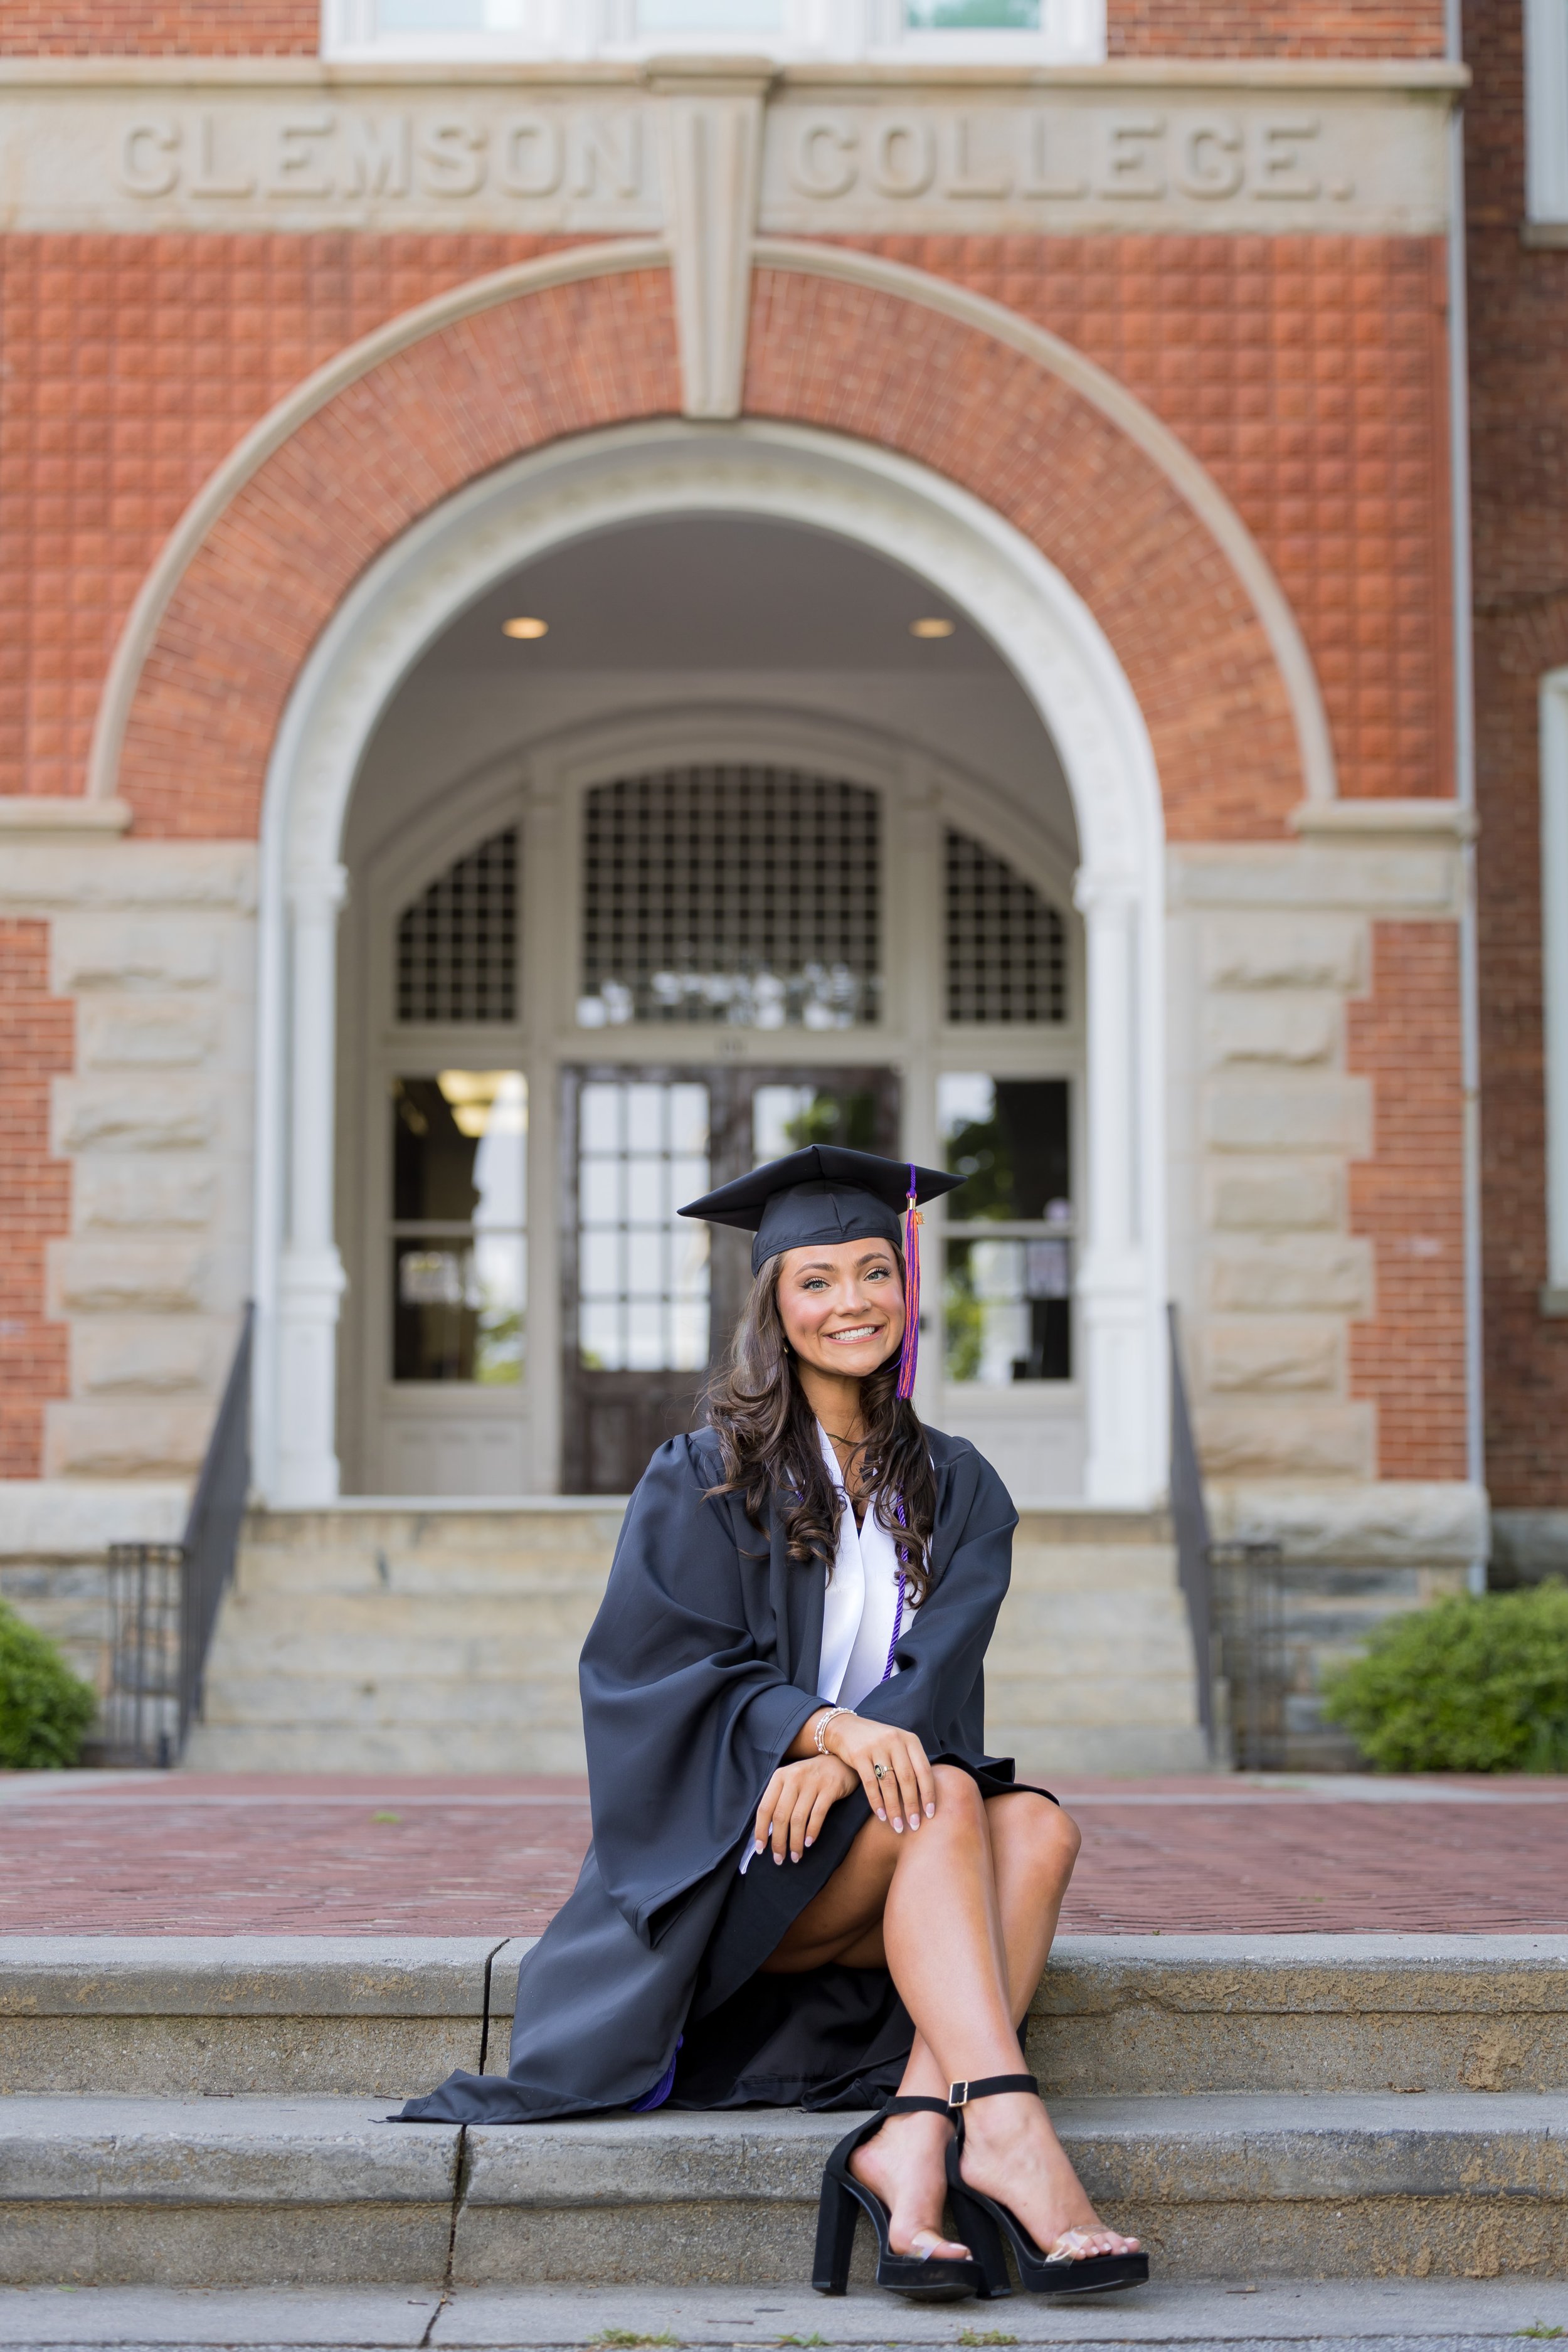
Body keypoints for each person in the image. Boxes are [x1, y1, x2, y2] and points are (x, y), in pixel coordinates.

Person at [397, 1146, 1146, 2302]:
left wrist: (846, 1759)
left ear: (907, 1285)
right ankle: (1007, 2128)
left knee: (1039, 1826)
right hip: (739, 1866)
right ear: (775, 1306)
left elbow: (934, 1678)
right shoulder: (704, 1475)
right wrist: (821, 1732)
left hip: (878, 1837)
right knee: (946, 1790)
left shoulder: (961, 1487)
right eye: (817, 1280)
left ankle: (913, 2137)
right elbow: (657, 1669)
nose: (853, 1301)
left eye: (876, 1271)